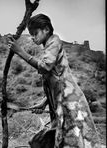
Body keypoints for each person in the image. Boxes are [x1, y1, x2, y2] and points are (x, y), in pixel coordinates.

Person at [6, 14, 101, 148]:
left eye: (35, 33)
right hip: (62, 100)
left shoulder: (54, 41)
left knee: (75, 137)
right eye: (31, 35)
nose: (33, 38)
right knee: (67, 138)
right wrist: (43, 103)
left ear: (46, 29)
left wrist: (20, 51)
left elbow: (45, 67)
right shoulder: (48, 48)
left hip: (71, 101)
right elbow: (55, 79)